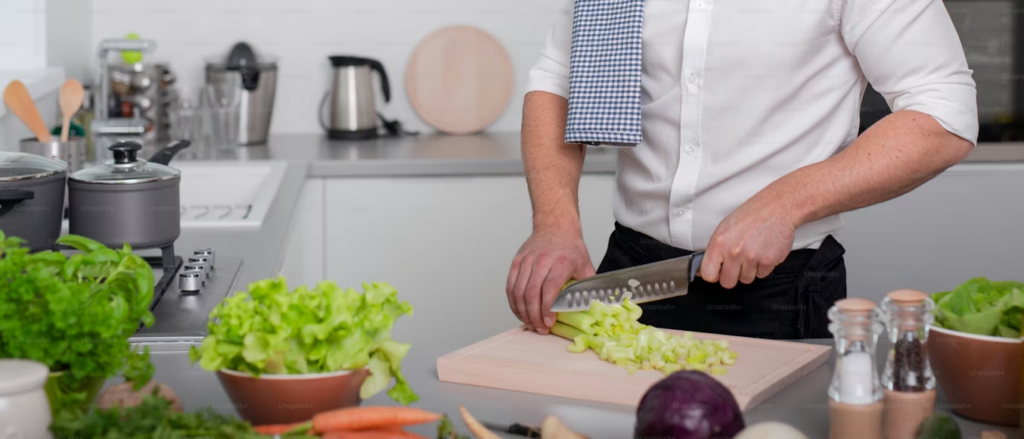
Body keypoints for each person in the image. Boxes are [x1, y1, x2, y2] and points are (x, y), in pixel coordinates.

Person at [506, 0, 978, 339]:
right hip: (629, 275)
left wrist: (785, 203)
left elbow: (944, 112)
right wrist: (554, 225)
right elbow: (557, 81)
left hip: (780, 291)